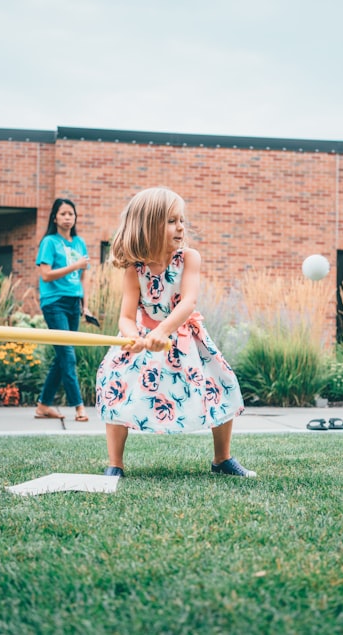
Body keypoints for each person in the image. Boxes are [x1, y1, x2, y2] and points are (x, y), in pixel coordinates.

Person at [95, 187, 255, 478]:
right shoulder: (135, 269)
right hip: (145, 338)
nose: (181, 227)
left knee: (221, 383)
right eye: (171, 221)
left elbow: (188, 303)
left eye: (181, 219)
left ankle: (222, 459)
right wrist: (134, 339)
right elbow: (126, 316)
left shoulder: (189, 258)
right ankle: (115, 463)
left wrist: (164, 332)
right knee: (114, 383)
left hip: (183, 336)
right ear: (148, 226)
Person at [35, 198, 90, 422]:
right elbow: (46, 274)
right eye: (63, 213)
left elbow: (85, 275)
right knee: (67, 355)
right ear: (55, 217)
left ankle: (43, 405)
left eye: (71, 214)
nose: (68, 217)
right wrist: (75, 266)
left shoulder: (79, 243)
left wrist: (85, 305)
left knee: (61, 357)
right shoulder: (49, 242)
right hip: (54, 302)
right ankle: (79, 406)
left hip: (73, 303)